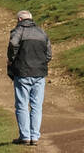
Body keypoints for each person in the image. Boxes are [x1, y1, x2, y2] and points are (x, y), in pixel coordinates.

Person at [7, 10, 51, 145]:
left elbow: (13, 44)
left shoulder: (18, 31)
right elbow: (49, 54)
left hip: (22, 73)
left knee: (22, 105)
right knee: (37, 106)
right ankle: (35, 137)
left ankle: (25, 137)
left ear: (19, 20)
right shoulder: (42, 32)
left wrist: (12, 60)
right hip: (39, 74)